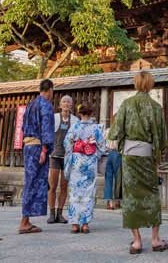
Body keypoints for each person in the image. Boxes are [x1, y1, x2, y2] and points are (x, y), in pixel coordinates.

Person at [108, 70, 168, 255]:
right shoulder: (156, 107)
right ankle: (156, 239)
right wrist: (157, 157)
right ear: (150, 84)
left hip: (130, 156)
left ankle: (136, 241)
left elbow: (115, 132)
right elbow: (162, 138)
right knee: (152, 194)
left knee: (131, 197)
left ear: (135, 83)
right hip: (148, 156)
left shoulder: (126, 104)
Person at [19, 79, 55, 235]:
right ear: (50, 90)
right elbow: (46, 128)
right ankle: (24, 221)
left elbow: (22, 127)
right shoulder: (45, 105)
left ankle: (25, 219)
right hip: (38, 147)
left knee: (30, 182)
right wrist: (45, 149)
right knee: (34, 182)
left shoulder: (31, 104)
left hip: (28, 146)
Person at [64, 102, 105, 234]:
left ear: (80, 114)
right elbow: (101, 146)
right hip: (90, 161)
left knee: (75, 191)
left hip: (77, 161)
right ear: (91, 113)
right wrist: (94, 155)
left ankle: (75, 224)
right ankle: (85, 224)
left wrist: (74, 152)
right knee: (88, 192)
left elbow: (67, 143)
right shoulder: (96, 128)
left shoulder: (74, 126)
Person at [47, 94, 78, 224]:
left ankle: (60, 213)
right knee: (52, 186)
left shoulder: (75, 120)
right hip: (54, 155)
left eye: (68, 102)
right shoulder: (54, 118)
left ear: (71, 105)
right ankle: (52, 213)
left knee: (64, 186)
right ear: (60, 105)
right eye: (63, 102)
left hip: (68, 157)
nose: (66, 104)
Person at [103, 127, 122, 210]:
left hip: (107, 154)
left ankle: (109, 202)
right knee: (119, 178)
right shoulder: (121, 131)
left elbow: (101, 142)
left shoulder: (107, 130)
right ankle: (117, 201)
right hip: (117, 154)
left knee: (108, 178)